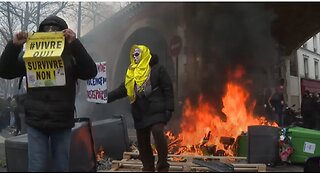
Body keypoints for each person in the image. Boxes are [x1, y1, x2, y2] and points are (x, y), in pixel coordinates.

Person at [0, 15, 97, 171]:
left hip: (62, 122)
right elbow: (4, 71)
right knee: (38, 168)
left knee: (60, 167)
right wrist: (14, 46)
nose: (51, 32)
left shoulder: (70, 57)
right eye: (47, 30)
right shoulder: (31, 57)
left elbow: (91, 72)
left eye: (55, 31)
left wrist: (75, 44)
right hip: (36, 122)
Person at [108, 45, 174, 172]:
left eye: (137, 54)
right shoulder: (132, 74)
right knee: (143, 143)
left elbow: (168, 88)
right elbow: (122, 90)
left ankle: (162, 166)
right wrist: (104, 98)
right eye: (133, 55)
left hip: (157, 111)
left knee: (157, 133)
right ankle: (148, 167)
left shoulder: (158, 69)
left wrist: (169, 108)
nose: (135, 57)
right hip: (141, 113)